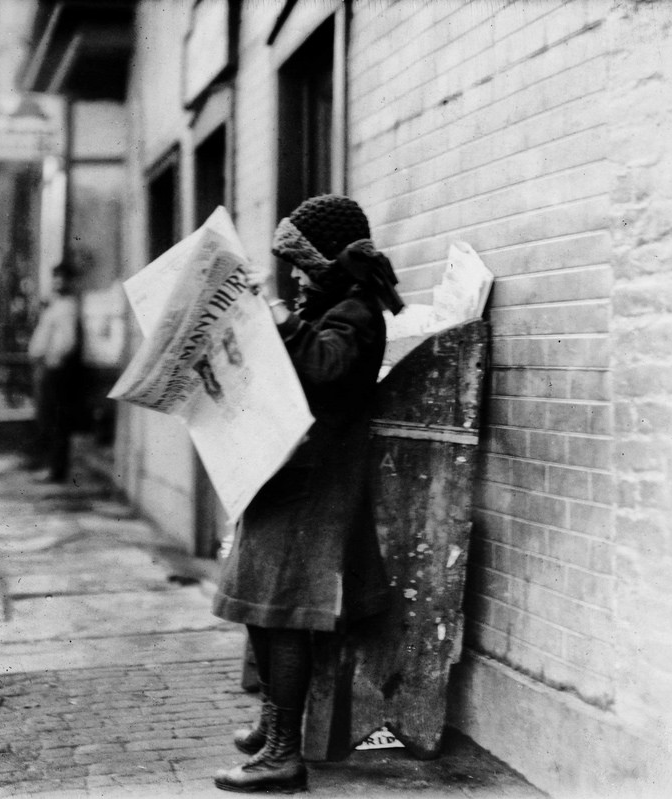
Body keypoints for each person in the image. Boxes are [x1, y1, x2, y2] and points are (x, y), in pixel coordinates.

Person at [211, 194, 405, 793]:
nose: (294, 276)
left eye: (300, 263)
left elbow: (324, 369)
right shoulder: (333, 305)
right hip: (288, 475)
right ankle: (272, 729)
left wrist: (280, 318)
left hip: (314, 485)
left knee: (282, 613)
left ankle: (283, 755)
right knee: (260, 609)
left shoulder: (357, 311)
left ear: (324, 261)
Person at [28, 261, 83, 483]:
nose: (58, 282)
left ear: (69, 282)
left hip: (57, 370)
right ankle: (51, 466)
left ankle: (57, 470)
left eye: (62, 278)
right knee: (48, 419)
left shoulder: (68, 306)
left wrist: (53, 360)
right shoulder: (56, 304)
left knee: (56, 420)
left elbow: (67, 341)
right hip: (47, 367)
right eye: (56, 278)